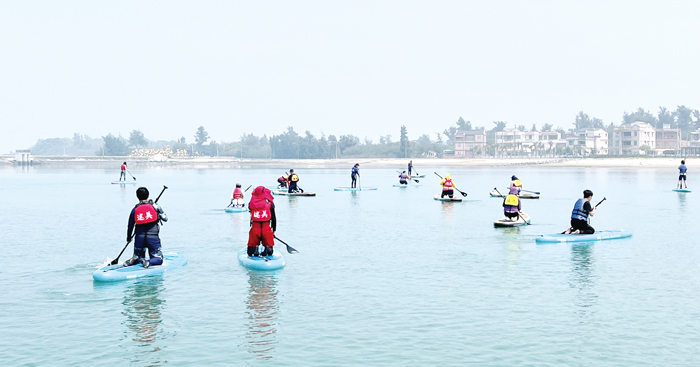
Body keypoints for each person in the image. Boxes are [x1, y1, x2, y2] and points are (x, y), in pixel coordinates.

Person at [125, 187, 168, 268]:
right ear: (148, 195)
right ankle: (147, 261)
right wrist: (158, 215)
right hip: (152, 237)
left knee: (138, 255)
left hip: (139, 237)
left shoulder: (135, 209)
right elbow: (165, 219)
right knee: (158, 259)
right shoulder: (155, 206)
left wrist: (128, 238)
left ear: (137, 196)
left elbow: (130, 225)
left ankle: (137, 259)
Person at [247, 186, 276, 257]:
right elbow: (273, 218)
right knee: (270, 252)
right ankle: (267, 248)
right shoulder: (269, 203)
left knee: (250, 252)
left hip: (255, 229)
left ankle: (255, 247)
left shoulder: (251, 203)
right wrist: (274, 230)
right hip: (266, 229)